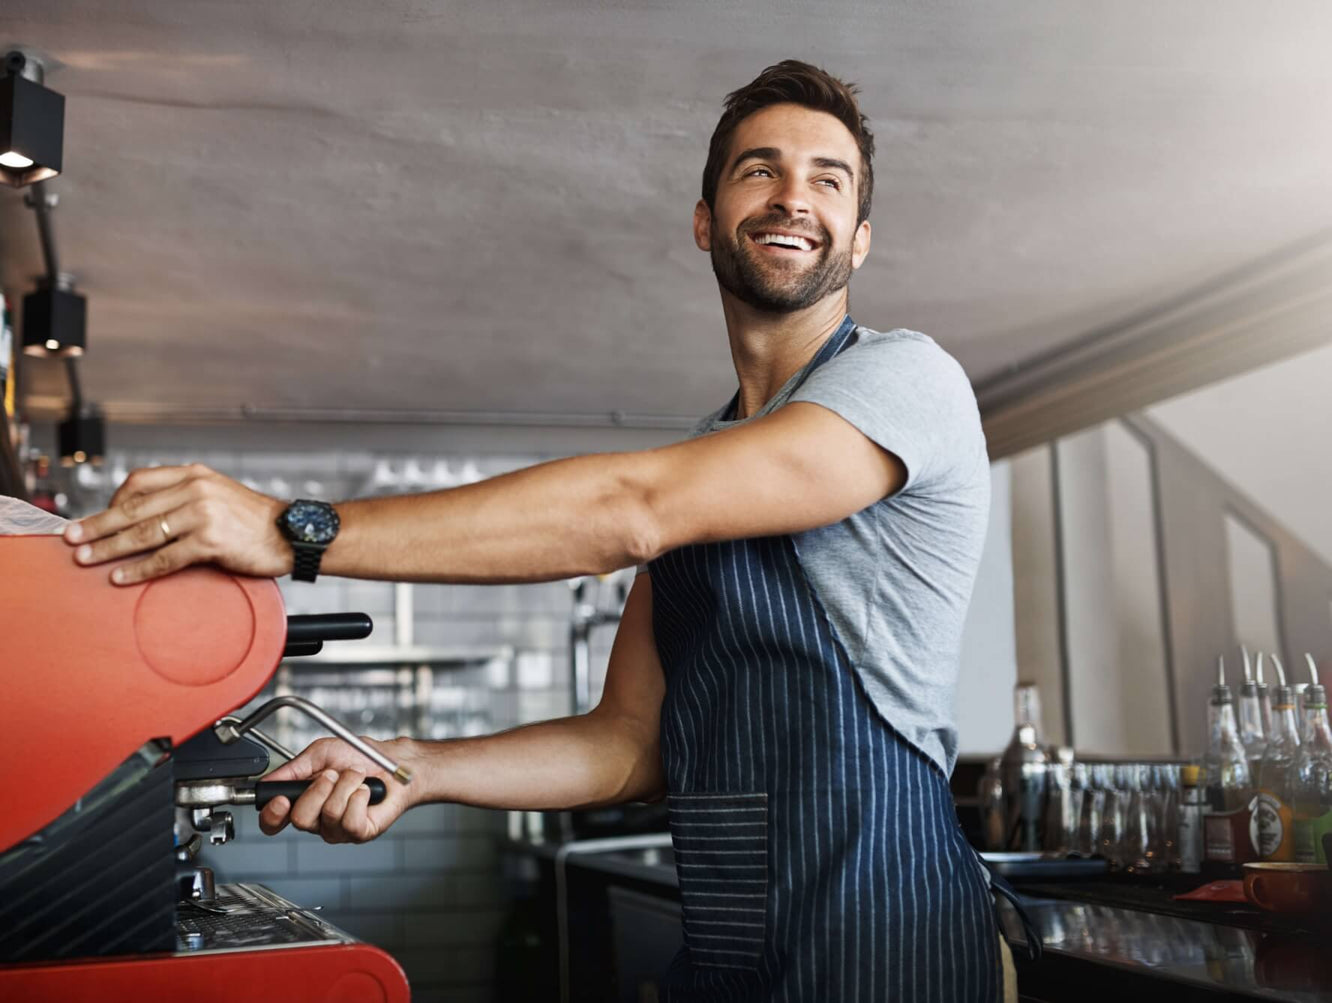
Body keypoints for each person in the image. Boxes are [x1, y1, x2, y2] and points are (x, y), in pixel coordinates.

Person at [65, 59, 1015, 1003]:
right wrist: (416, 766)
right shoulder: (706, 463)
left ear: (858, 242)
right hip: (735, 962)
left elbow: (631, 511)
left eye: (828, 179)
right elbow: (628, 742)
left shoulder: (906, 382)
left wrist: (292, 531)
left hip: (895, 945)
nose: (793, 196)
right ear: (705, 220)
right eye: (759, 170)